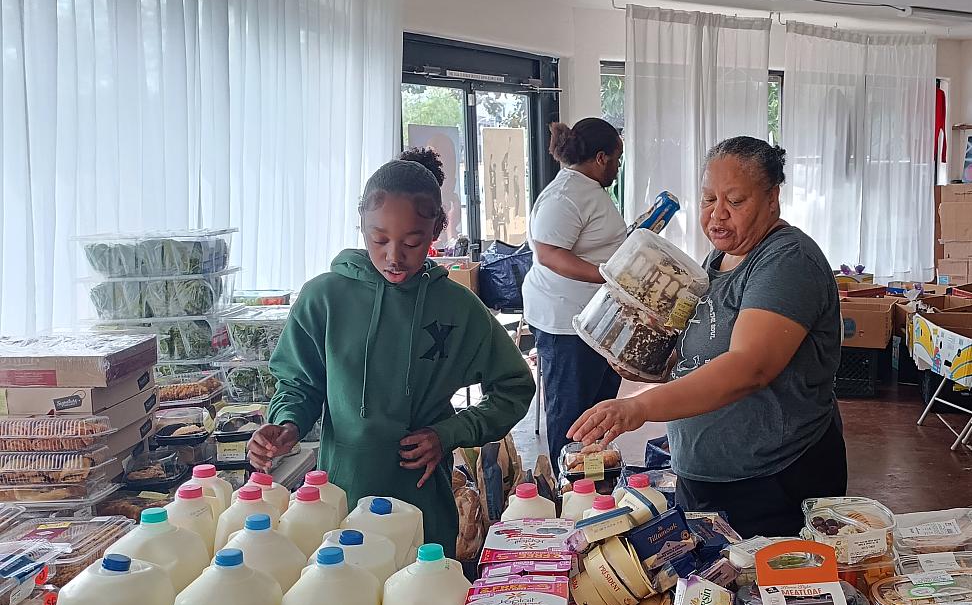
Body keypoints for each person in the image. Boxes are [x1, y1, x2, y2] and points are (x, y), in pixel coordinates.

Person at [248, 148, 536, 557]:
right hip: (336, 502)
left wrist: (448, 434)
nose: (394, 256)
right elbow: (299, 383)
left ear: (437, 230)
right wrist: (287, 425)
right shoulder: (324, 298)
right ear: (361, 225)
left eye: (412, 242)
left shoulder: (457, 307)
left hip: (422, 504)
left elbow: (515, 387)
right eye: (378, 239)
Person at [569, 136, 847, 537]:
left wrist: (639, 408)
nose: (718, 214)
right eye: (708, 200)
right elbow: (696, 358)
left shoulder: (787, 261)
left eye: (735, 201)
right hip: (706, 477)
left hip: (774, 482)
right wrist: (647, 369)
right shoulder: (716, 260)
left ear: (773, 197)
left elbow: (749, 367)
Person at [522, 117, 628, 473]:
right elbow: (549, 253)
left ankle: (595, 482)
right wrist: (606, 275)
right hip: (567, 323)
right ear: (600, 157)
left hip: (594, 320)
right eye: (616, 158)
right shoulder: (565, 194)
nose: (618, 166)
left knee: (598, 414)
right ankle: (568, 493)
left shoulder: (588, 189)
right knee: (573, 417)